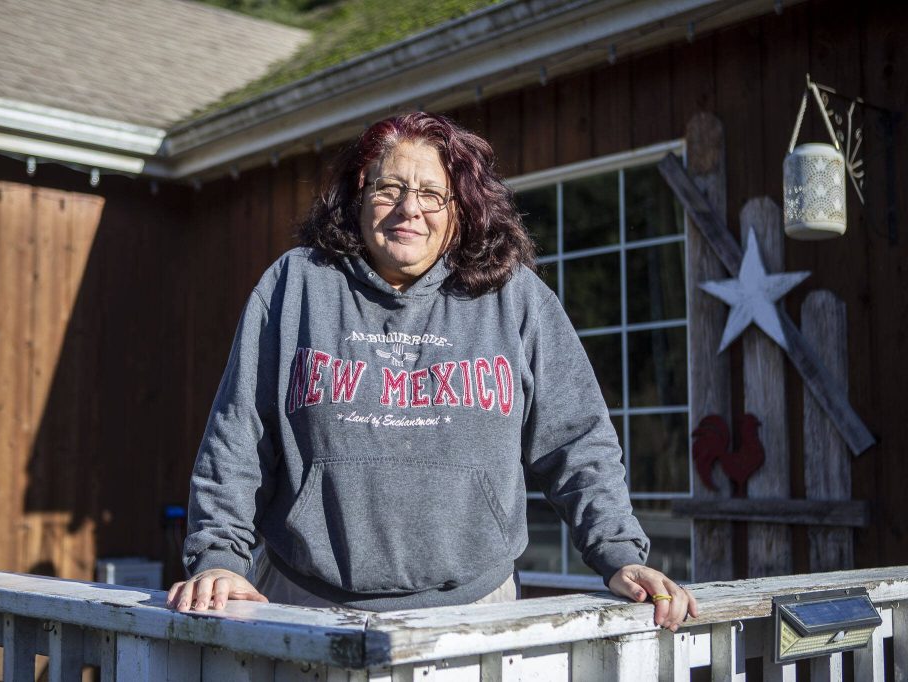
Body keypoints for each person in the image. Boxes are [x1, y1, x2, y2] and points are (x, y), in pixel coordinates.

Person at [168, 112, 697, 628]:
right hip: (304, 603)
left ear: (460, 208)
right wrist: (218, 556)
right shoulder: (296, 285)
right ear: (358, 194)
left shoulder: (514, 299)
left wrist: (618, 551)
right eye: (388, 188)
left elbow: (577, 442)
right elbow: (239, 435)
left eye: (430, 194)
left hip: (474, 610)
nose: (408, 209)